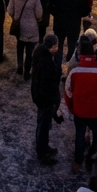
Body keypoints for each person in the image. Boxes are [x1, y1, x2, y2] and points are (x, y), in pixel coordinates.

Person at [65, 36, 97, 173]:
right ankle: (91, 156)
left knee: (79, 136)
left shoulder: (74, 71)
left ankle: (78, 160)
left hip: (79, 111)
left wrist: (72, 107)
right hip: (96, 112)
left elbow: (67, 91)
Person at [48, 0, 92, 64]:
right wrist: (78, 15)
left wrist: (56, 14)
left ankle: (57, 65)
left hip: (59, 22)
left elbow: (49, 6)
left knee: (58, 45)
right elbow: (86, 9)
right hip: (74, 24)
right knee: (72, 46)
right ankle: (70, 63)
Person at [31, 34, 62, 165]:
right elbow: (48, 84)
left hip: (40, 97)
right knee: (43, 126)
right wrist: (52, 101)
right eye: (56, 46)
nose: (57, 48)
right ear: (52, 47)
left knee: (42, 125)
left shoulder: (40, 53)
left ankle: (43, 147)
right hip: (45, 99)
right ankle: (42, 152)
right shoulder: (47, 62)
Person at [7, 0, 43, 80]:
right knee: (29, 51)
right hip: (32, 27)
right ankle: (27, 71)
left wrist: (15, 17)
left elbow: (9, 10)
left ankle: (20, 65)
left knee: (20, 46)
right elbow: (39, 14)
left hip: (19, 27)